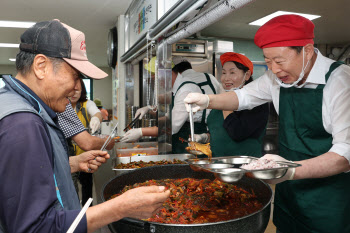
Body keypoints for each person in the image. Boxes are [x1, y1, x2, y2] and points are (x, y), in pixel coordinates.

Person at [184, 14, 350, 233]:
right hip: (289, 192)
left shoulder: (340, 82)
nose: (273, 69)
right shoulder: (277, 77)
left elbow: (344, 155)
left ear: (307, 51)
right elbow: (243, 98)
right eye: (268, 61)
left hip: (327, 197)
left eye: (279, 61)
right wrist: (207, 100)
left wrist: (289, 171)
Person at [0, 19, 170, 233]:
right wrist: (121, 207)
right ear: (41, 66)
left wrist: (68, 163)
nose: (75, 88)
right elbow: (35, 228)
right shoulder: (22, 123)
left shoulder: (16, 104)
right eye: (75, 76)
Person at [122, 56, 221, 154]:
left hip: (194, 139)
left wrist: (141, 132)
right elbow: (168, 104)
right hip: (182, 137)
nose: (157, 83)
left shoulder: (185, 90)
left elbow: (172, 126)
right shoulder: (178, 86)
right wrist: (149, 108)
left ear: (167, 74)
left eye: (156, 78)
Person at [192, 52, 269, 157]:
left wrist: (225, 105)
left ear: (246, 75)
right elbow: (218, 130)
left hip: (244, 165)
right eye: (223, 73)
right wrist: (204, 137)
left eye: (232, 73)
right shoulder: (221, 98)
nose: (226, 78)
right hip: (218, 163)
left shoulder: (257, 103)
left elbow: (237, 133)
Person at [69, 79, 103, 205]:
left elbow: (97, 113)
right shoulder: (61, 105)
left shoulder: (86, 104)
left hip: (85, 155)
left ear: (82, 90)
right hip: (68, 156)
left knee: (87, 187)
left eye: (77, 90)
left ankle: (88, 212)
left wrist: (96, 119)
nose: (74, 93)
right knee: (71, 189)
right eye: (71, 89)